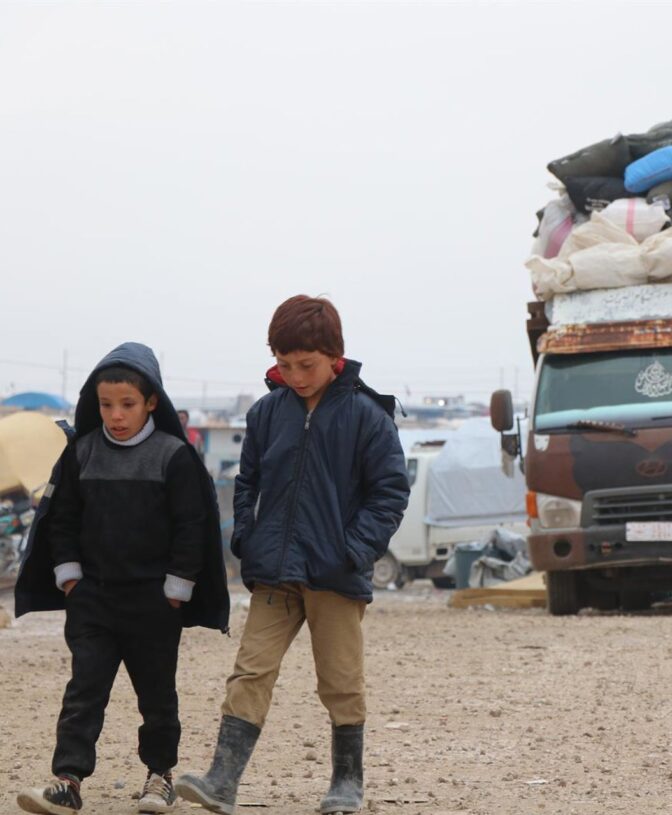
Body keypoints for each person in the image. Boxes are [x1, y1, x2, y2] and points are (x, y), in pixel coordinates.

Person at [176, 296, 410, 815]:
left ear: (335, 356)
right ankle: (222, 779)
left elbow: (390, 493)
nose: (296, 375)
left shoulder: (368, 417)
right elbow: (247, 481)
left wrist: (352, 551)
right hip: (274, 572)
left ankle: (346, 783)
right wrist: (246, 538)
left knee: (341, 680)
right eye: (285, 365)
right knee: (249, 671)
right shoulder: (265, 413)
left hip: (336, 575)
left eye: (306, 365)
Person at [13, 343, 230, 815]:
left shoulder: (174, 456)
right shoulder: (81, 454)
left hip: (154, 604)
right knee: (83, 691)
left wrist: (176, 590)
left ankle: (159, 777)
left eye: (127, 404)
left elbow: (192, 528)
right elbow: (62, 520)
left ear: (152, 401)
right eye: (106, 404)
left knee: (157, 696)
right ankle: (67, 781)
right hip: (92, 601)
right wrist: (70, 579)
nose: (115, 415)